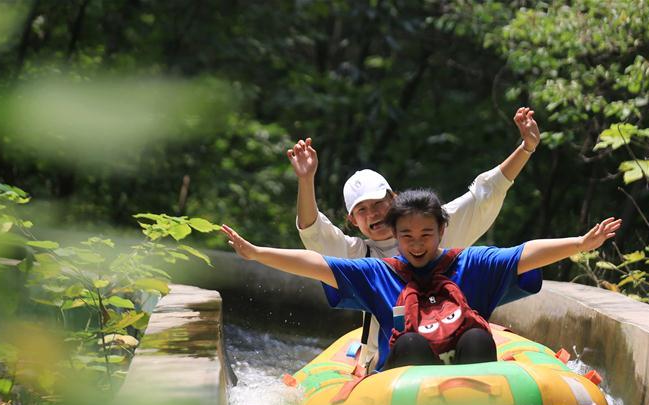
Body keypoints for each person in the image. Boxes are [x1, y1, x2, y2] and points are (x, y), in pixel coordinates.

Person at [221, 190, 621, 372]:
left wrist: (581, 244)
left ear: (441, 232)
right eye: (407, 236)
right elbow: (316, 264)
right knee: (410, 342)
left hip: (470, 373)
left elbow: (524, 254)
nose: (416, 244)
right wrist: (257, 253)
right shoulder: (379, 272)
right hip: (405, 379)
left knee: (479, 338)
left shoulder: (470, 262)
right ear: (396, 235)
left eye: (426, 234)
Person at [286, 108, 542, 368]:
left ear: (393, 199)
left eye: (378, 203)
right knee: (409, 344)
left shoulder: (436, 228)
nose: (373, 213)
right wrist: (306, 180)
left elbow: (485, 194)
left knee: (476, 338)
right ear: (353, 220)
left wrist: (526, 148)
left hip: (456, 341)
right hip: (394, 356)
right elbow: (313, 231)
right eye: (362, 210)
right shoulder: (358, 257)